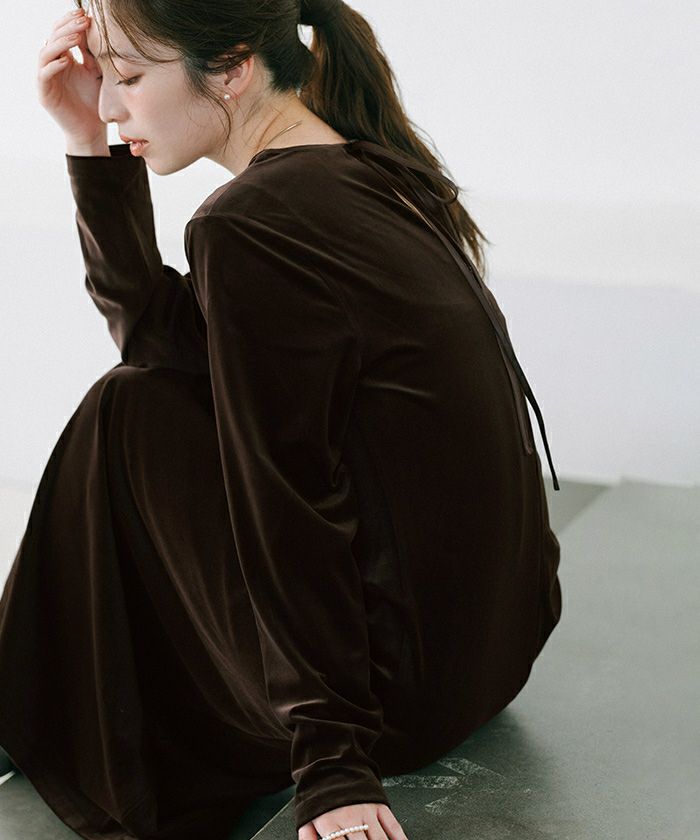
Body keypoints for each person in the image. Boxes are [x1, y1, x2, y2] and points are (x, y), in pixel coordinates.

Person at [0, 0, 563, 838]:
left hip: (391, 707)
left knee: (124, 408)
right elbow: (157, 338)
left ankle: (22, 703)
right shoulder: (368, 167)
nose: (112, 106)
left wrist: (333, 764)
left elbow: (290, 496)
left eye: (129, 78)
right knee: (142, 393)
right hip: (491, 659)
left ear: (232, 67)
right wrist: (85, 141)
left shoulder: (253, 222)